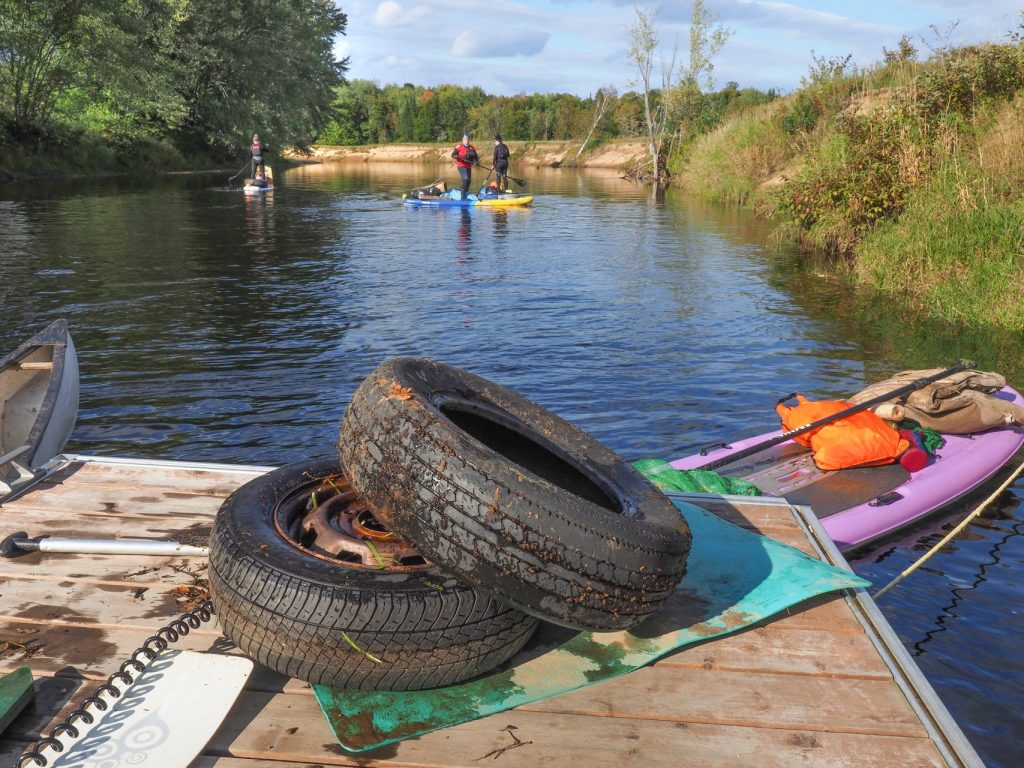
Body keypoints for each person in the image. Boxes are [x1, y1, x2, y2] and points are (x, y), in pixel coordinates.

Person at [451, 133, 478, 199]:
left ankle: (465, 194)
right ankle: (462, 197)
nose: (466, 140)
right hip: (461, 165)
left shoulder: (472, 148)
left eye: (467, 139)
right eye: (465, 139)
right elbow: (453, 155)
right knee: (465, 179)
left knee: (469, 181)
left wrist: (476, 162)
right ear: (463, 140)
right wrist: (457, 156)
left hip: (468, 166)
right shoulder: (459, 146)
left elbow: (476, 157)